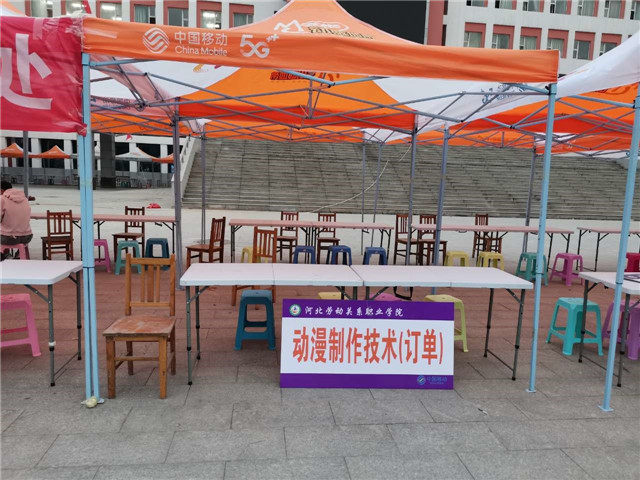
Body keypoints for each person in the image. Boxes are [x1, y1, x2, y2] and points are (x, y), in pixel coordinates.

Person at [1, 180, 33, 259]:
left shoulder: (2, 199)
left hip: (8, 238)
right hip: (27, 237)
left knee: (5, 233)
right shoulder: (24, 199)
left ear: (1, 190)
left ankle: (6, 255)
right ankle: (19, 254)